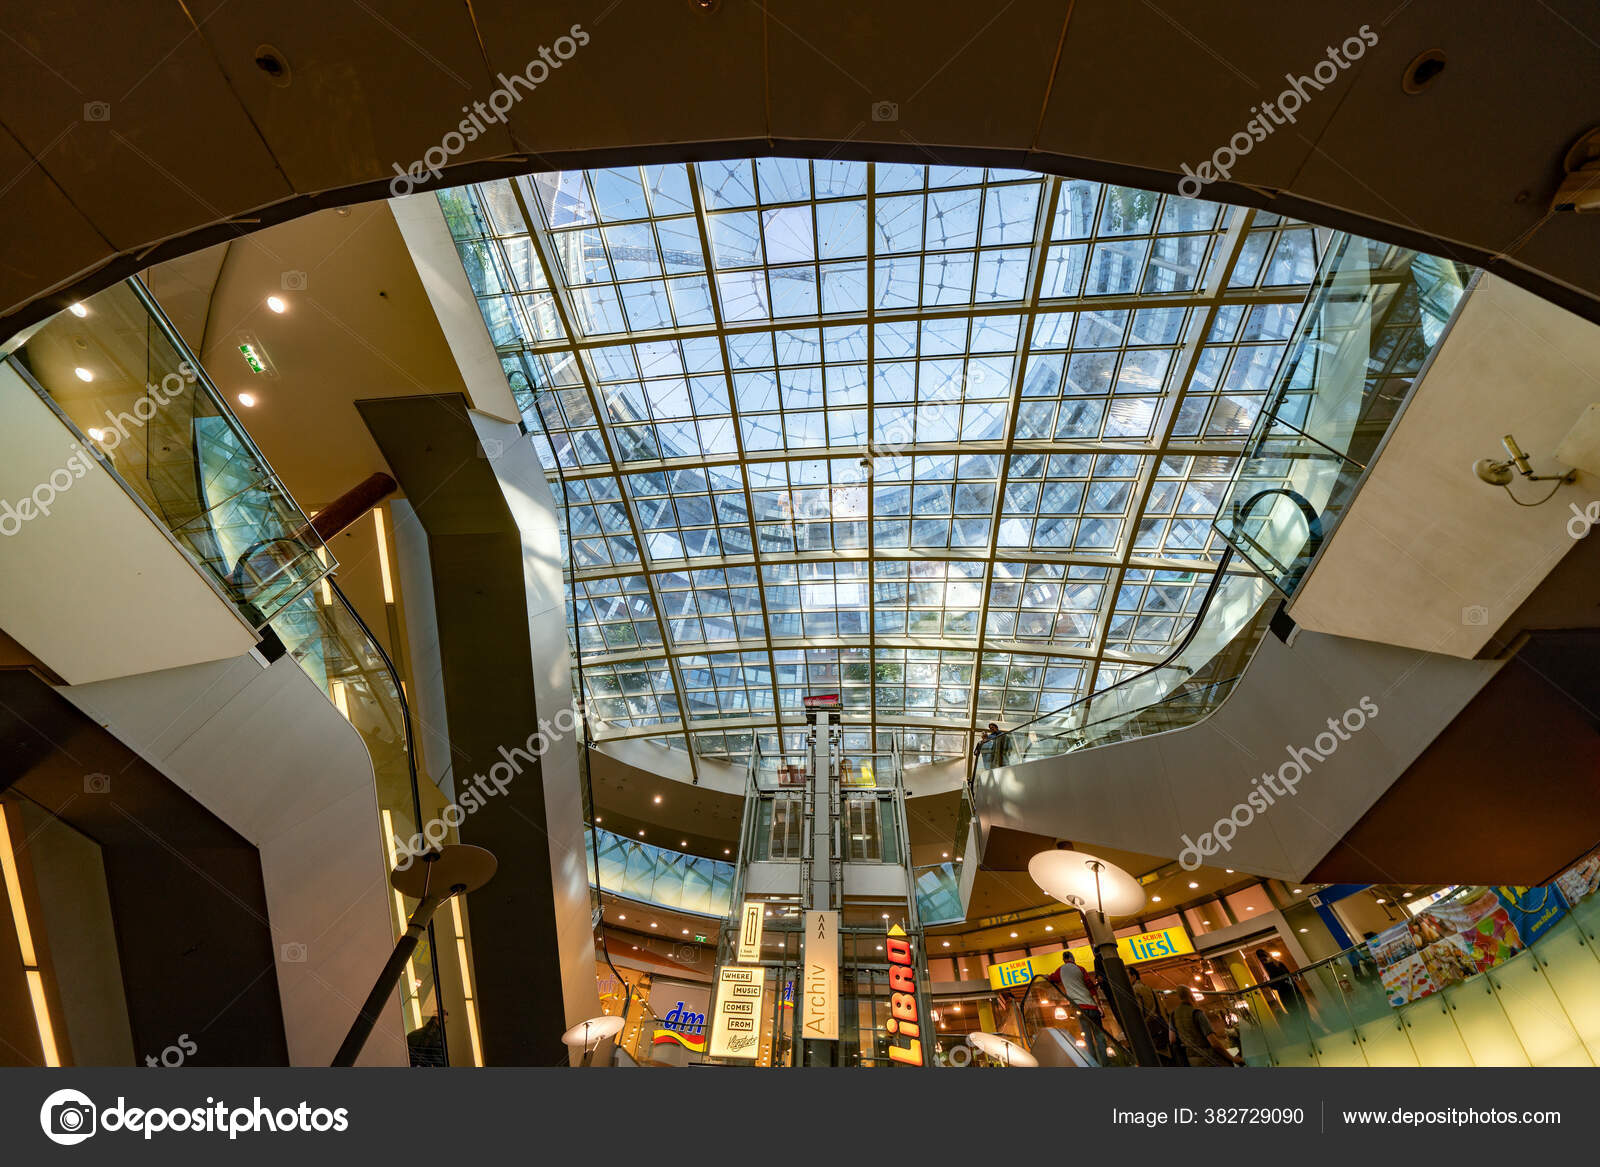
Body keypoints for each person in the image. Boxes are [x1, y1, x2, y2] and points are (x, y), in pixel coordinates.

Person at [1052, 956, 1109, 1065]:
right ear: (1073, 958)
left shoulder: (1061, 970)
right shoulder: (1081, 969)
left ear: (1064, 959)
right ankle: (1106, 1063)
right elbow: (1090, 986)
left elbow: (1052, 978)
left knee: (1087, 1039)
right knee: (1099, 1036)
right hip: (1092, 1007)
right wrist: (1098, 1005)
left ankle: (1093, 1063)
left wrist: (1047, 977)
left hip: (1080, 1008)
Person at [1173, 997, 1243, 1066]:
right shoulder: (1197, 1013)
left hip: (1193, 1061)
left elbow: (1172, 1039)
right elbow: (1215, 1044)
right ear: (1191, 997)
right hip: (1210, 1060)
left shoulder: (1173, 1015)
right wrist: (1233, 1059)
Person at [1128, 966, 1174, 1064]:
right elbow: (1162, 1009)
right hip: (1162, 1029)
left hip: (1151, 1033)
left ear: (1134, 976)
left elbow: (1138, 1014)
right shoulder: (1150, 989)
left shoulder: (1135, 990)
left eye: (1127, 976)